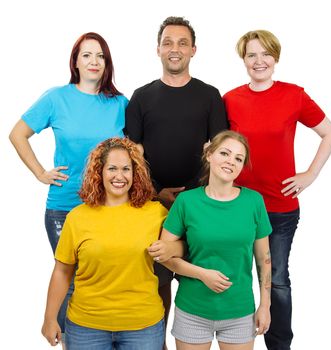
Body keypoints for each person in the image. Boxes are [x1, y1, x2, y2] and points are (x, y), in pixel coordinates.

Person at [223, 30, 331, 350]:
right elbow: (216, 148)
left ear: (276, 57)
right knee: (236, 277)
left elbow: (330, 133)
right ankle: (237, 340)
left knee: (276, 280)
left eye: (265, 54)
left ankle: (279, 344)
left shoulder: (294, 95)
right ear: (243, 60)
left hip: (280, 207)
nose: (259, 61)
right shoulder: (230, 99)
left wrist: (310, 174)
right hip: (238, 205)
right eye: (251, 55)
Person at [9, 32, 128, 337]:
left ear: (107, 63)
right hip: (66, 207)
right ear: (75, 61)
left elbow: (134, 152)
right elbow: (17, 134)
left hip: (109, 207)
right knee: (73, 280)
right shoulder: (56, 98)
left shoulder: (119, 103)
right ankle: (71, 342)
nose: (93, 61)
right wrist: (39, 172)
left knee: (105, 278)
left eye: (100, 56)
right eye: (86, 55)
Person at [125, 16, 228, 339]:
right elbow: (133, 155)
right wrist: (156, 193)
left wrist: (193, 196)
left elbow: (219, 153)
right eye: (168, 42)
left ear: (193, 50)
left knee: (197, 279)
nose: (175, 49)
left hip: (200, 205)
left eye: (183, 43)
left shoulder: (210, 96)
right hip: (152, 205)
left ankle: (193, 341)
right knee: (156, 280)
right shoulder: (141, 97)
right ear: (158, 49)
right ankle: (156, 343)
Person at [41, 137, 184, 349]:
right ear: (99, 172)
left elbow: (183, 246)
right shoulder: (77, 217)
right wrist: (50, 319)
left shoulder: (155, 212)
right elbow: (63, 271)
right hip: (86, 327)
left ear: (136, 173)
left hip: (142, 326)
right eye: (112, 168)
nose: (120, 176)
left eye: (126, 169)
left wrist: (173, 247)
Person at [148, 130, 272, 350]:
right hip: (192, 310)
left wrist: (265, 305)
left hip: (239, 311)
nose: (230, 161)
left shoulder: (254, 202)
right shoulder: (186, 201)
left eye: (238, 159)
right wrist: (202, 274)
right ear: (209, 155)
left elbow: (265, 260)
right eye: (224, 153)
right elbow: (163, 256)